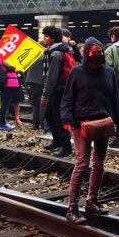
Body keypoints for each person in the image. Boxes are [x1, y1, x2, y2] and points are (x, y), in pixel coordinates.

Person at [60, 37, 119, 224]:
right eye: (93, 51)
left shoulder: (109, 72)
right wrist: (67, 119)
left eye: (99, 51)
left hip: (102, 122)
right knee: (82, 163)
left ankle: (92, 202)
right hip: (81, 123)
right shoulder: (77, 72)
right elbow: (67, 99)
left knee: (98, 164)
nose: (97, 54)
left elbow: (116, 101)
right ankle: (72, 207)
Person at [41, 26, 75, 157]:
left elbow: (52, 76)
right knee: (49, 115)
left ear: (53, 38)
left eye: (46, 36)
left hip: (58, 89)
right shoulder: (59, 50)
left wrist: (45, 95)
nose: (44, 39)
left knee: (58, 118)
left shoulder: (55, 53)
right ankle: (57, 141)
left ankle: (66, 147)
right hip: (60, 88)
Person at [0, 58, 22, 130]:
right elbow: (11, 67)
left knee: (6, 103)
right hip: (8, 83)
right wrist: (16, 68)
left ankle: (2, 122)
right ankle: (2, 123)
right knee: (5, 104)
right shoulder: (3, 59)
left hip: (9, 83)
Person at [24, 54, 45, 130]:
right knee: (42, 103)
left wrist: (26, 81)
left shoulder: (32, 55)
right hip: (40, 81)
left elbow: (25, 69)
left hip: (31, 81)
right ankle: (42, 124)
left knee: (35, 104)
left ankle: (35, 124)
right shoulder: (44, 56)